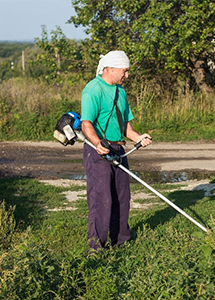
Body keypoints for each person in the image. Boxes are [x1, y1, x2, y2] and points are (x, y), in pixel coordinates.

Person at [81, 50, 152, 251]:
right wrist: (97, 143)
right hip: (98, 149)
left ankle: (120, 242)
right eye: (125, 71)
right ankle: (96, 247)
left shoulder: (121, 92)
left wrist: (138, 137)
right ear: (110, 69)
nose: (127, 76)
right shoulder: (93, 89)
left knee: (122, 197)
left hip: (119, 149)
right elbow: (86, 124)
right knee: (101, 198)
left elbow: (125, 127)